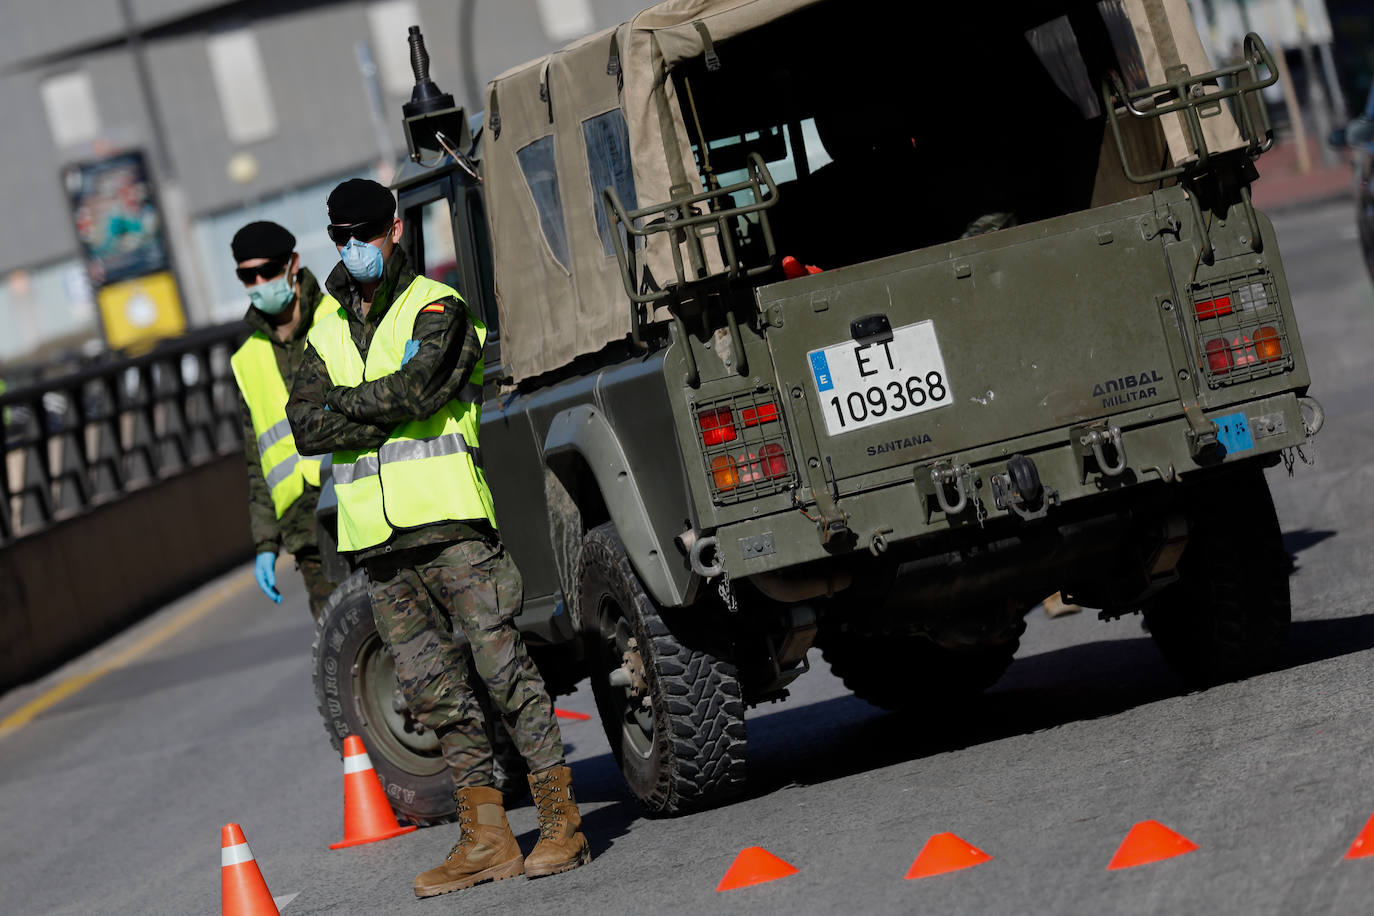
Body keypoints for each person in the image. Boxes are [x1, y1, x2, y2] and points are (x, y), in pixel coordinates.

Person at [286, 178, 590, 898]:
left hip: (451, 528)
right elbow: (305, 425)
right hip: (381, 549)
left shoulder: (436, 306)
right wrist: (371, 407)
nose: (353, 248)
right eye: (340, 237)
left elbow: (421, 391)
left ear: (395, 228)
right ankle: (485, 838)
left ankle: (559, 823)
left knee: (504, 672)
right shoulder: (324, 328)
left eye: (364, 231)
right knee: (436, 695)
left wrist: (347, 407)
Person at [228, 221, 336, 620]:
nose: (258, 282)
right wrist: (265, 544)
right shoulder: (247, 359)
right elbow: (258, 458)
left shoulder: (337, 317)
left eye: (268, 270)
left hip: (360, 503)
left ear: (293, 264)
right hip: (304, 526)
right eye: (246, 275)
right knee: (344, 645)